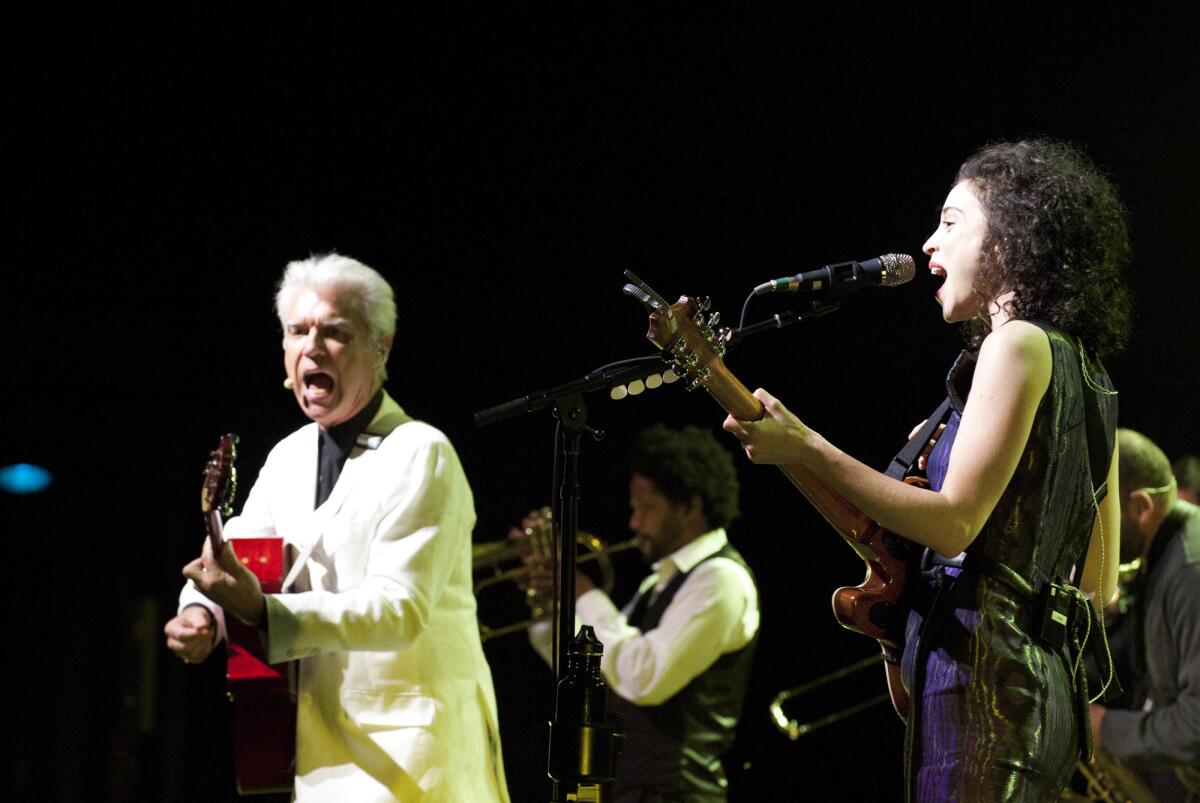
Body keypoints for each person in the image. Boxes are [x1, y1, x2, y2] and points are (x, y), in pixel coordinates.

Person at [723, 139, 1131, 800]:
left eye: (951, 222)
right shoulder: (1094, 379)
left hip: (981, 691)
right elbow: (1098, 578)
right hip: (1045, 699)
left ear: (1007, 237)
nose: (928, 244)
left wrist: (805, 445)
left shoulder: (1015, 342)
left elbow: (954, 524)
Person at [163, 253, 510, 802]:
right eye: (297, 331)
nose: (312, 347)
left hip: (414, 763)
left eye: (335, 332)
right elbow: (242, 554)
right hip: (320, 759)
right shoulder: (288, 456)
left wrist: (262, 611)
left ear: (382, 345)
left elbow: (400, 609)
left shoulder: (422, 451)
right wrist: (200, 612)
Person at [521, 424, 759, 803]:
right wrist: (548, 602)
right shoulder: (660, 583)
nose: (634, 523)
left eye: (646, 508)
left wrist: (581, 590)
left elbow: (643, 678)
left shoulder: (720, 581)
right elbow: (599, 668)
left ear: (689, 506)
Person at [1089, 428, 1200, 800]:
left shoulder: (1191, 571)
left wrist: (1106, 729)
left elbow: (1196, 726)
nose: (1096, 529)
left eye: (1104, 512)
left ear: (1140, 507)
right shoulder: (1164, 551)